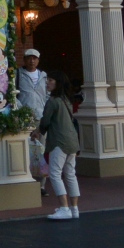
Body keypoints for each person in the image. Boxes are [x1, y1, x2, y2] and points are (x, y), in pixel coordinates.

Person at [38, 70, 80, 221]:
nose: (47, 82)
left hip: (59, 141)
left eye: (51, 80)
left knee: (55, 173)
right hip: (72, 141)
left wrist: (39, 131)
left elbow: (45, 121)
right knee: (70, 174)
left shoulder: (53, 101)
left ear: (58, 83)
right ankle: (74, 208)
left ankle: (64, 208)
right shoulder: (66, 100)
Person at [17, 48, 49, 195]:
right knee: (26, 150)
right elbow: (13, 95)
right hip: (25, 119)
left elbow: (47, 95)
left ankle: (41, 185)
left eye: (34, 58)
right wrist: (21, 109)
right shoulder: (18, 74)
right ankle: (28, 180)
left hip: (40, 118)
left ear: (38, 60)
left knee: (41, 151)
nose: (32, 61)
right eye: (29, 58)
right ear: (24, 60)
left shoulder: (43, 76)